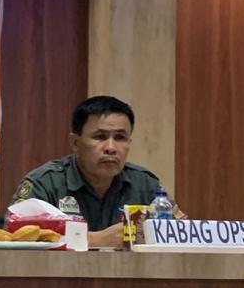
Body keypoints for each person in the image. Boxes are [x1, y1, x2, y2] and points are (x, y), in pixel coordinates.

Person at [11, 95, 178, 248]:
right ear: (75, 143)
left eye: (120, 138)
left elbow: (179, 235)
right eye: (100, 137)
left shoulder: (145, 184)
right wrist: (92, 240)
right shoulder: (44, 183)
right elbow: (14, 238)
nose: (111, 148)